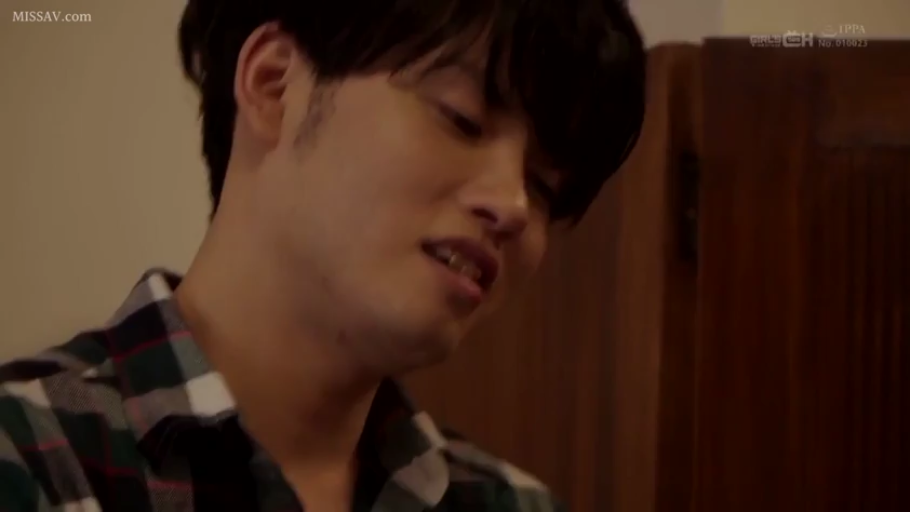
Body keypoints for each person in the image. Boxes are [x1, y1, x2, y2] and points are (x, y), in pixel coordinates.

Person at [0, 0, 645, 509]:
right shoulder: (30, 454)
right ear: (275, 84)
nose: (514, 206)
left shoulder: (514, 504)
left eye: (543, 185)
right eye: (462, 119)